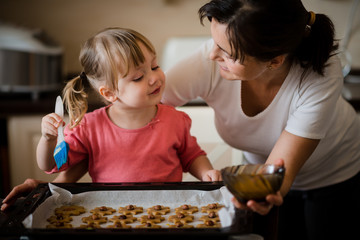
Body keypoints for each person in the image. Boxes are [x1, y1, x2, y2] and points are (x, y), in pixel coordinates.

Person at [161, 0, 360, 239]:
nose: (213, 55)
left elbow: (280, 169)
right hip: (266, 171)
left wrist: (264, 189)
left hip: (335, 171)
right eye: (214, 42)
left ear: (275, 60)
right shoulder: (210, 59)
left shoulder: (321, 72)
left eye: (229, 53)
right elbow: (145, 105)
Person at [39, 28, 222, 183]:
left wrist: (206, 172)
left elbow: (192, 155)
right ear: (109, 93)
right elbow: (52, 165)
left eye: (155, 66)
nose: (154, 78)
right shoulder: (88, 127)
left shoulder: (175, 119)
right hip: (112, 216)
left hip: (167, 213)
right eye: (138, 78)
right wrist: (48, 139)